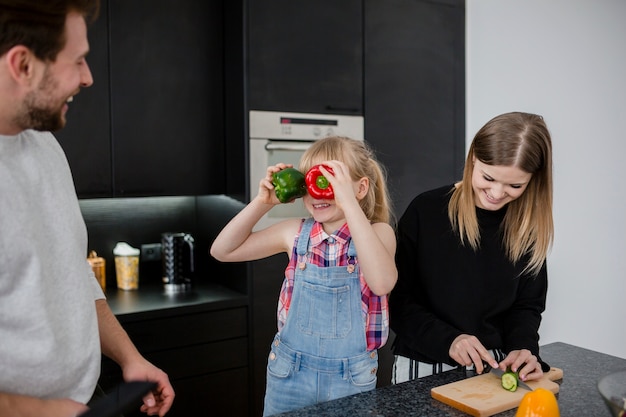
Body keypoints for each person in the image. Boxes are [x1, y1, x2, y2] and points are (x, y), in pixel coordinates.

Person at [0, 2, 174, 416]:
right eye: (77, 60)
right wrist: (46, 412)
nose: (87, 77)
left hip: (80, 401)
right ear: (22, 64)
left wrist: (129, 357)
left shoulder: (44, 146)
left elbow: (71, 273)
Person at [211, 136, 397, 416]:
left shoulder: (379, 234)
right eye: (311, 182)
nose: (318, 193)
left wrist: (349, 205)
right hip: (289, 375)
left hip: (351, 379)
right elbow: (222, 250)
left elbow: (381, 282)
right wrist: (263, 203)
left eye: (330, 182)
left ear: (360, 188)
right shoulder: (294, 233)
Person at [390, 112, 554, 385]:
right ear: (473, 158)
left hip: (497, 368)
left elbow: (527, 306)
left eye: (515, 185)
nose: (497, 193)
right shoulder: (426, 211)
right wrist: (449, 340)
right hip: (422, 362)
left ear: (533, 180)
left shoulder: (528, 226)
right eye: (488, 178)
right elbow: (396, 300)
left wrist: (523, 348)